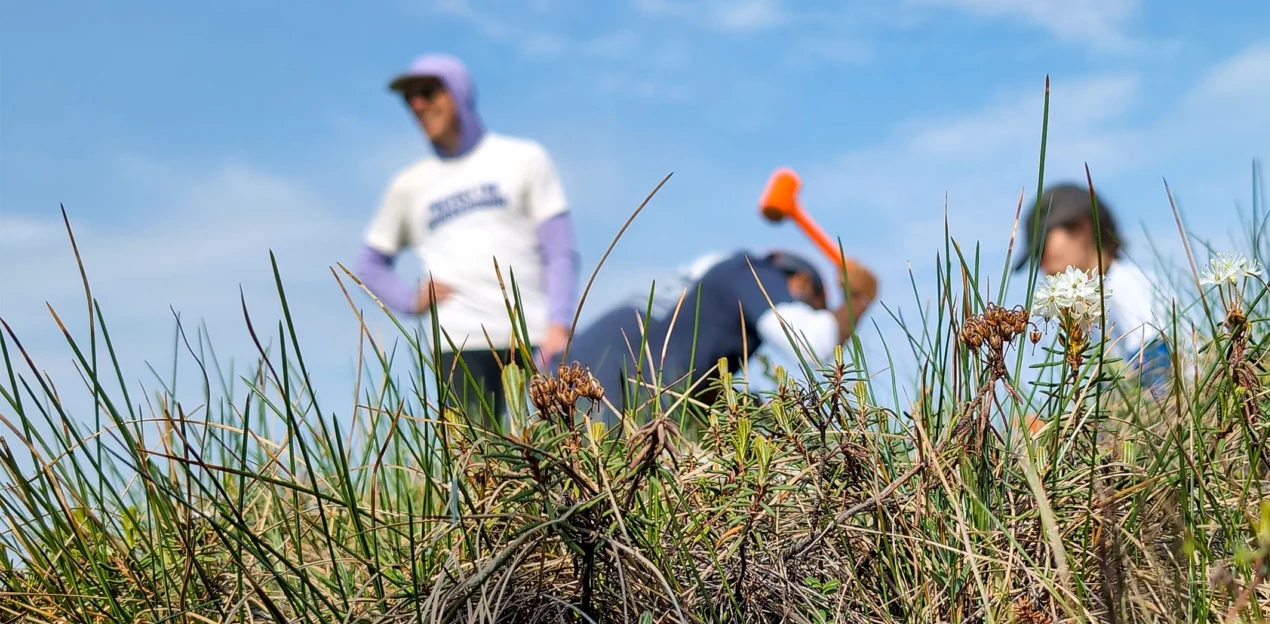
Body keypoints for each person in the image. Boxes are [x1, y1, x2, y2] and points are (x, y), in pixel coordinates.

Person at [354, 53, 578, 430]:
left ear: (457, 92)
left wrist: (560, 322)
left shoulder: (523, 158)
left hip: (533, 334)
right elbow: (369, 264)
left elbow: (560, 250)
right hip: (456, 342)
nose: (417, 104)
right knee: (476, 459)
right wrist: (410, 299)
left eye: (427, 91)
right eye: (409, 98)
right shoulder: (409, 184)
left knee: (559, 444)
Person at [559, 249, 878, 421]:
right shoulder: (753, 272)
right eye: (814, 307)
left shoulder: (709, 282)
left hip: (561, 384)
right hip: (607, 396)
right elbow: (812, 343)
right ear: (801, 283)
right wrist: (858, 301)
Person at [1012, 182, 1175, 393]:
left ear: (1081, 228)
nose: (1041, 263)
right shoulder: (1101, 299)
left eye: (1042, 247)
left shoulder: (1125, 288)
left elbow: (1159, 380)